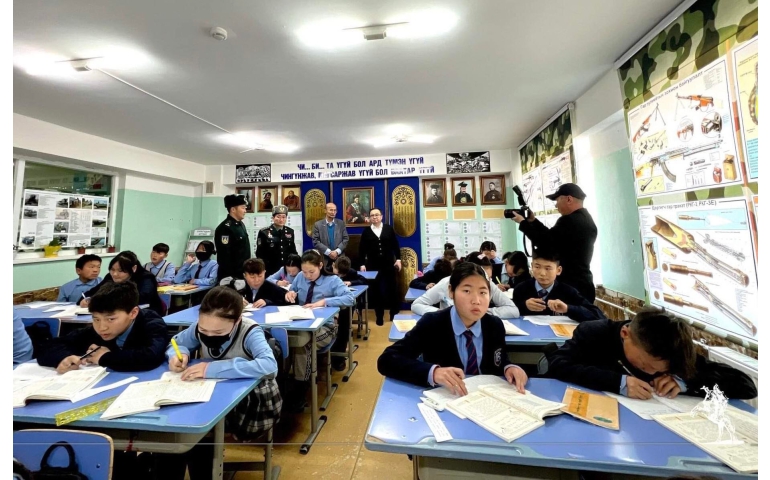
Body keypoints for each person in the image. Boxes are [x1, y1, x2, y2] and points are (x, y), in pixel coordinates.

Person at [160, 286, 282, 479]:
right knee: (176, 425)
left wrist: (211, 369)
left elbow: (269, 366)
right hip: (209, 393)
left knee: (198, 430)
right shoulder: (200, 327)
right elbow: (178, 342)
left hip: (249, 400)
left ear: (237, 321)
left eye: (218, 332)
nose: (208, 335)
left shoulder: (250, 331)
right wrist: (179, 354)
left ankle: (204, 467)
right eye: (203, 330)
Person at [378, 262, 528, 393]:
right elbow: (387, 360)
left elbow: (498, 359)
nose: (476, 300)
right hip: (447, 398)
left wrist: (509, 367)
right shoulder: (432, 323)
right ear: (451, 291)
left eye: (483, 292)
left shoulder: (494, 325)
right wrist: (433, 372)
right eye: (467, 291)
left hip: (485, 399)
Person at [547, 308, 757, 400]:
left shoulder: (673, 347)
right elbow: (557, 363)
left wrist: (684, 382)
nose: (651, 372)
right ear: (625, 334)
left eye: (661, 369)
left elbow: (746, 387)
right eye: (645, 365)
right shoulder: (595, 333)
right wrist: (617, 382)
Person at [38, 282, 167, 372]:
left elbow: (151, 356)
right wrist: (64, 357)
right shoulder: (96, 331)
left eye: (111, 319)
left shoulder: (151, 323)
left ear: (133, 313)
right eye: (96, 319)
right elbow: (49, 347)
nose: (102, 327)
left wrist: (105, 358)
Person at [284, 250, 354, 407]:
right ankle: (285, 383)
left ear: (320, 266)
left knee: (304, 344)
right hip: (301, 324)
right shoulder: (300, 277)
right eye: (304, 272)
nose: (307, 276)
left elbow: (350, 298)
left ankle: (301, 388)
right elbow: (292, 289)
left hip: (326, 327)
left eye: (311, 272)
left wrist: (324, 302)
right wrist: (291, 294)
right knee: (284, 341)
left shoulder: (332, 280)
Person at [513, 183, 598, 302]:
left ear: (569, 199)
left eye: (557, 200)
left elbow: (545, 243)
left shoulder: (570, 221)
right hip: (583, 283)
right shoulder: (585, 219)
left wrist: (523, 223)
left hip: (572, 285)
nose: (556, 205)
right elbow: (551, 237)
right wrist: (533, 221)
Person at [412, 253, 520, 319]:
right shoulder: (446, 283)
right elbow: (417, 304)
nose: (486, 283)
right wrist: (441, 314)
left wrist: (485, 312)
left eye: (489, 278)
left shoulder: (489, 284)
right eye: (467, 290)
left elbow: (513, 310)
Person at [513, 249, 604, 321]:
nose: (542, 273)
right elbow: (509, 313)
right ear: (532, 266)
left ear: (558, 270)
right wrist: (524, 306)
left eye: (548, 268)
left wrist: (568, 308)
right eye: (537, 267)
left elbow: (598, 315)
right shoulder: (521, 289)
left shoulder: (568, 292)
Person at [82, 251, 164, 316]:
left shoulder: (146, 278)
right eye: (112, 269)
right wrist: (87, 299)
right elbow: (94, 291)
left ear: (134, 268)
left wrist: (104, 300)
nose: (115, 274)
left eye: (120, 271)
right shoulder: (110, 277)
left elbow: (141, 298)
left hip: (146, 316)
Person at [358, 208, 402, 325]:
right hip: (373, 265)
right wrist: (362, 264)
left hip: (388, 264)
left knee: (392, 289)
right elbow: (362, 249)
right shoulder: (366, 232)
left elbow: (395, 245)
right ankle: (379, 316)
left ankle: (393, 314)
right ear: (369, 218)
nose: (374, 217)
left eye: (377, 215)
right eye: (372, 215)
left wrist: (398, 259)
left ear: (381, 216)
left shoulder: (388, 229)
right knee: (376, 291)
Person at [215, 194, 252, 282]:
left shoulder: (240, 224)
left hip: (243, 273)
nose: (245, 211)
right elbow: (224, 257)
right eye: (243, 208)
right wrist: (233, 279)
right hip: (231, 277)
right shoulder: (225, 228)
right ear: (233, 209)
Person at [256, 205, 298, 277]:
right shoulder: (264, 232)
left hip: (286, 269)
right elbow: (259, 254)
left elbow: (293, 251)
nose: (281, 220)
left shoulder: (290, 231)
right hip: (270, 269)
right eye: (278, 217)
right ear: (273, 218)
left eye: (283, 217)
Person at [311, 202, 349, 272]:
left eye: (335, 210)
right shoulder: (318, 225)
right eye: (331, 210)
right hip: (324, 259)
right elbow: (315, 241)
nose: (333, 212)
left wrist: (336, 252)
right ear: (325, 211)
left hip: (339, 259)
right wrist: (329, 252)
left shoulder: (341, 223)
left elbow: (345, 239)